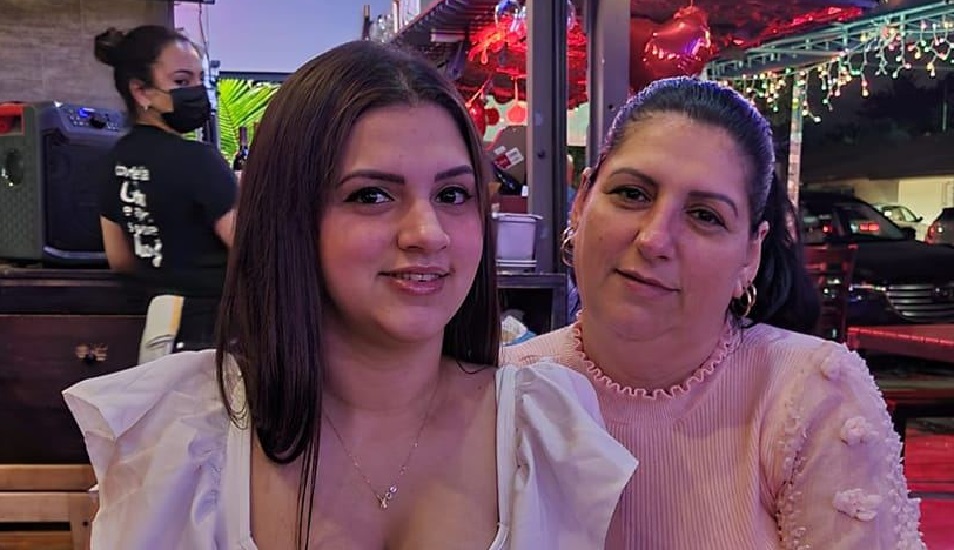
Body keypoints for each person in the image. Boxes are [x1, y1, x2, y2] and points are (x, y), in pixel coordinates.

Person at [64, 41, 635, 549]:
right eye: (371, 196)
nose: (428, 233)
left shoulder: (542, 427)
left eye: (453, 195)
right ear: (289, 215)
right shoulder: (185, 437)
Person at [503, 77, 925, 549]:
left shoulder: (810, 396)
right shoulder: (505, 390)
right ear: (581, 204)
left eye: (705, 215)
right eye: (632, 194)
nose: (654, 240)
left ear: (750, 256)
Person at [93, 25, 237, 350]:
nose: (197, 91)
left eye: (201, 79)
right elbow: (253, 250)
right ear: (141, 92)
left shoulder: (113, 161)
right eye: (182, 82)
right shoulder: (199, 160)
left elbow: (120, 259)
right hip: (214, 336)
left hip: (160, 331)